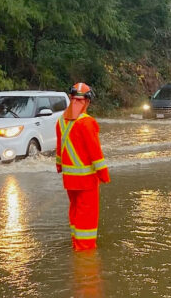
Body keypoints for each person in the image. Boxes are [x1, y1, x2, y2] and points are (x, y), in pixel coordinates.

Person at [56, 82, 110, 251]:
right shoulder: (87, 122)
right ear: (87, 101)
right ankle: (85, 251)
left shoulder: (61, 121)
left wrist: (59, 167)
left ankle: (76, 243)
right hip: (87, 180)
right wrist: (104, 175)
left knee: (75, 211)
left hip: (69, 179)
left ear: (71, 98)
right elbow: (95, 153)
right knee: (87, 214)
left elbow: (60, 148)